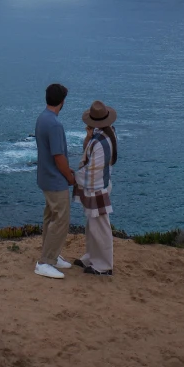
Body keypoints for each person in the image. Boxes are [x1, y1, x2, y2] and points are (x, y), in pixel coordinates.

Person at [34, 83, 75, 280]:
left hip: (44, 177)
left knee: (50, 218)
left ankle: (51, 255)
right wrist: (69, 176)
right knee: (61, 221)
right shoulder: (55, 124)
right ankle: (45, 262)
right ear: (62, 101)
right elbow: (59, 156)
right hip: (55, 180)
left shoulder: (42, 118)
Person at [73, 100, 117, 276]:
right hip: (100, 185)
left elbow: (92, 171)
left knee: (100, 226)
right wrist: (88, 138)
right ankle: (92, 258)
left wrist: (74, 177)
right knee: (93, 225)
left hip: (97, 188)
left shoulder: (100, 142)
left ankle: (104, 265)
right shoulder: (107, 134)